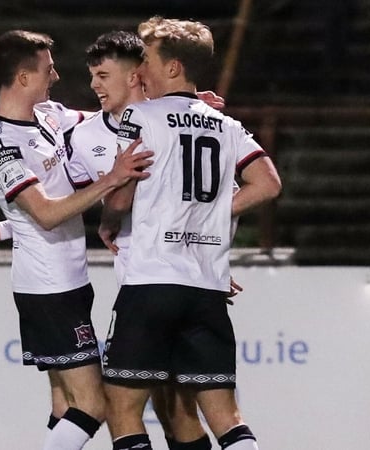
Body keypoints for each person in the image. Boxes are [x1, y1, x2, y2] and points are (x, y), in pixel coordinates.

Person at [0, 29, 226, 450]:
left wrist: (178, 106)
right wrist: (112, 179)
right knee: (95, 405)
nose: (57, 76)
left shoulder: (50, 117)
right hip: (48, 288)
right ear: (23, 78)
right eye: (48, 69)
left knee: (65, 406)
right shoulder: (0, 142)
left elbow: (114, 113)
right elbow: (45, 213)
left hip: (68, 281)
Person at [99, 16, 282, 450]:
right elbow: (268, 183)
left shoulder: (140, 116)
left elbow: (121, 198)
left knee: (122, 409)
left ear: (173, 67)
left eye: (146, 60)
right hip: (207, 288)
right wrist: (212, 215)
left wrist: (109, 216)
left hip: (151, 283)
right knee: (225, 417)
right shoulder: (227, 125)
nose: (138, 70)